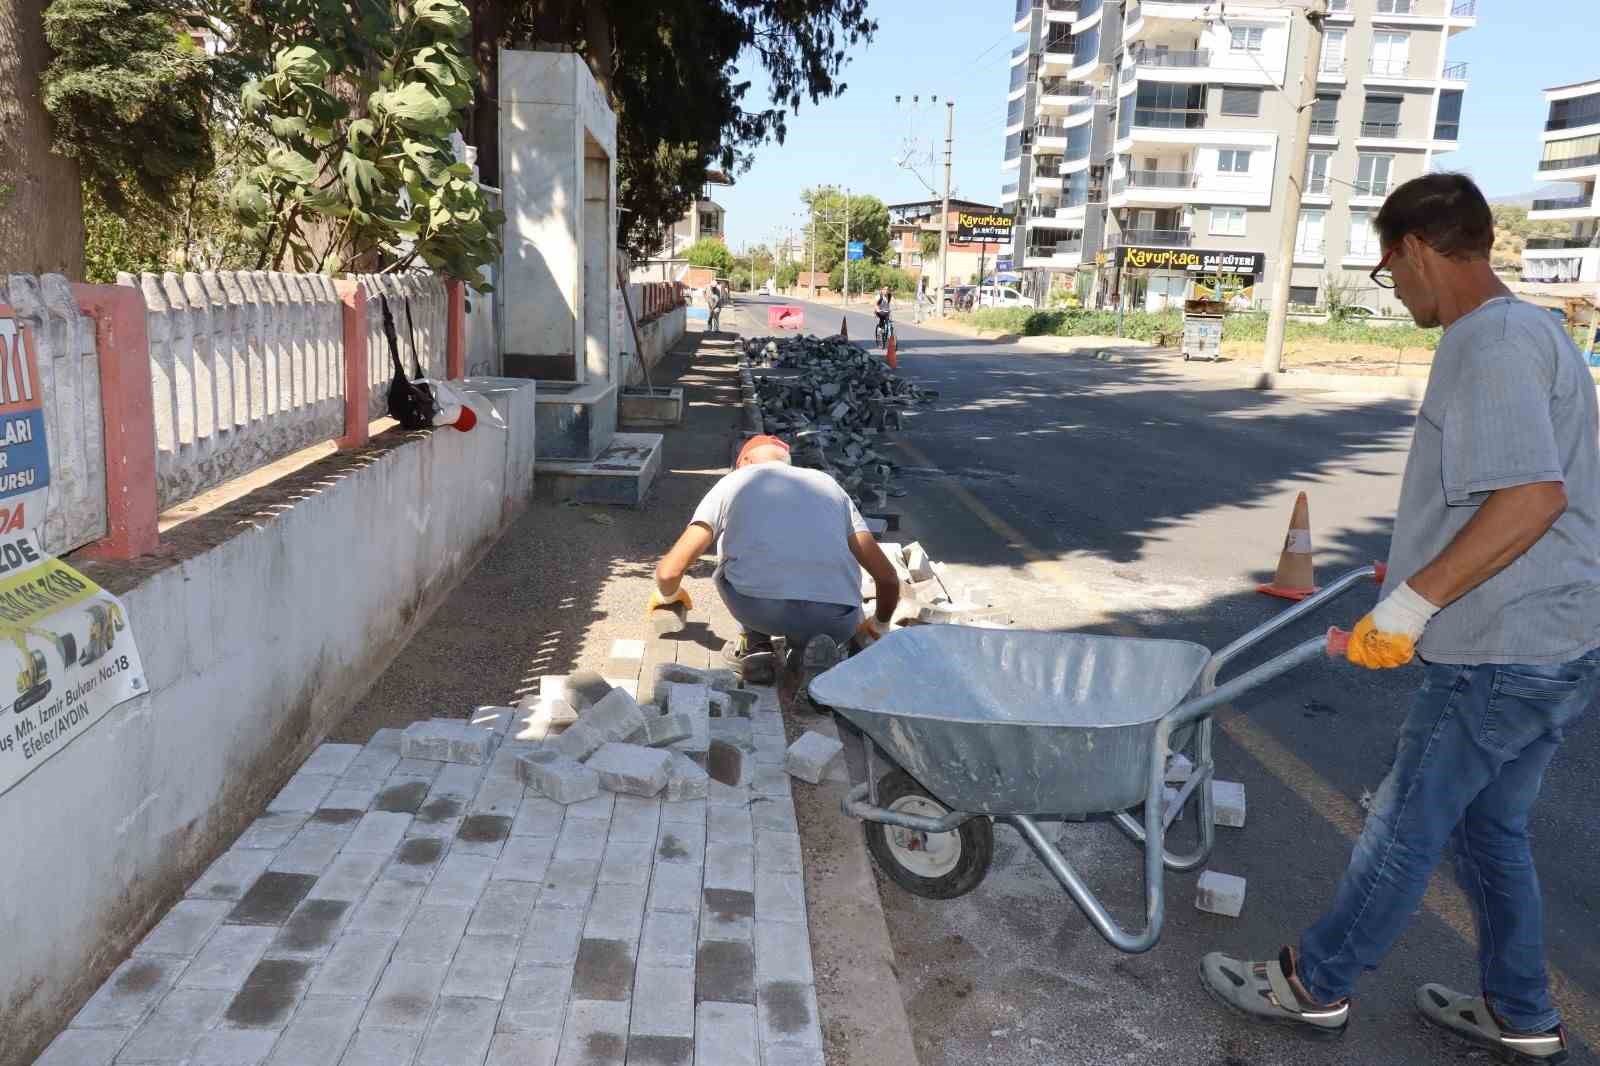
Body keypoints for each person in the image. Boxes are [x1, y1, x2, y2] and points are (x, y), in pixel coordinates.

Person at [1200, 173, 1600, 1062]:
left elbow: (1531, 497)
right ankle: (1522, 1012)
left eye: (1390, 271)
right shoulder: (1536, 329)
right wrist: (1419, 561)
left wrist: (1417, 602)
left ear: (1414, 249)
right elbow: (1513, 495)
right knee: (1489, 830)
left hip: (1501, 649)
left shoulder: (1485, 341)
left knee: (1404, 822)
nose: (1399, 292)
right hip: (1554, 642)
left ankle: (1316, 984)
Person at [648, 435, 900, 688]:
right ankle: (809, 655)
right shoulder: (829, 485)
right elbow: (888, 578)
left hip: (760, 611)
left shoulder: (734, 482)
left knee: (728, 566)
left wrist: (669, 599)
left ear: (743, 460)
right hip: (836, 620)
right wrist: (877, 626)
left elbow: (669, 572)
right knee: (827, 618)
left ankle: (755, 646)